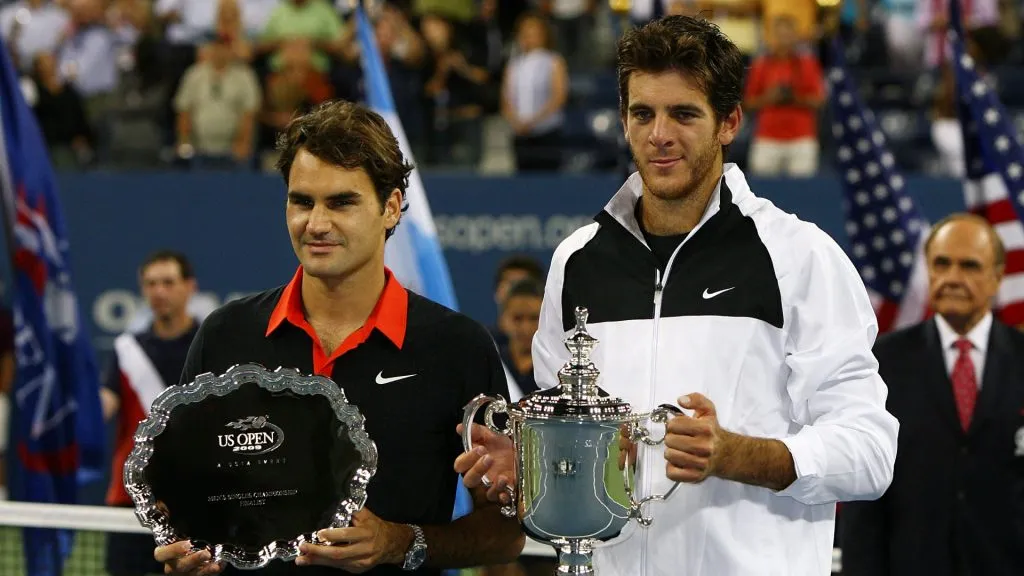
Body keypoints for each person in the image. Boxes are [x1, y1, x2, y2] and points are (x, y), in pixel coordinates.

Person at [455, 15, 899, 576]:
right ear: (623, 120)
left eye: (683, 113)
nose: (658, 134)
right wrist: (532, 459)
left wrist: (738, 454)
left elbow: (870, 451)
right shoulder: (576, 261)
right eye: (642, 113)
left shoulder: (800, 256)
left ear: (729, 122)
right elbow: (576, 440)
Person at [155, 100, 524, 576]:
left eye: (342, 202)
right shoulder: (225, 335)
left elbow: (506, 531)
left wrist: (398, 542)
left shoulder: (457, 347)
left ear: (390, 207)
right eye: (302, 200)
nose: (317, 223)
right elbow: (187, 500)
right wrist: (188, 553)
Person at [840, 214, 1024, 576]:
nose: (953, 278)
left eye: (969, 266)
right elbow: (864, 496)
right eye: (942, 264)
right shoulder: (881, 364)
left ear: (997, 277)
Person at [102, 250, 201, 576]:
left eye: (168, 282)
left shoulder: (211, 344)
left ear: (189, 287)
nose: (159, 291)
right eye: (151, 284)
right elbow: (106, 404)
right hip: (131, 497)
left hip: (195, 496)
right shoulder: (126, 349)